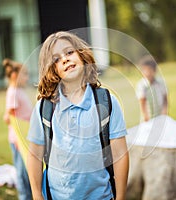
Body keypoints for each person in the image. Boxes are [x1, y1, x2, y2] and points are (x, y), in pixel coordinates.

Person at [27, 31, 129, 200]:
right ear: (53, 70)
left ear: (81, 55)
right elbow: (35, 156)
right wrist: (37, 195)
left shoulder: (106, 102)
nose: (65, 59)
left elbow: (120, 154)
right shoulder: (44, 109)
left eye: (69, 52)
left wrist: (121, 198)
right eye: (56, 59)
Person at [3, 58, 32, 200]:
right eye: (24, 74)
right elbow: (10, 115)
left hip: (26, 137)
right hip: (17, 139)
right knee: (22, 172)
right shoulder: (13, 92)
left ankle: (29, 194)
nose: (27, 78)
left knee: (28, 169)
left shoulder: (18, 91)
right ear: (15, 76)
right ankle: (24, 196)